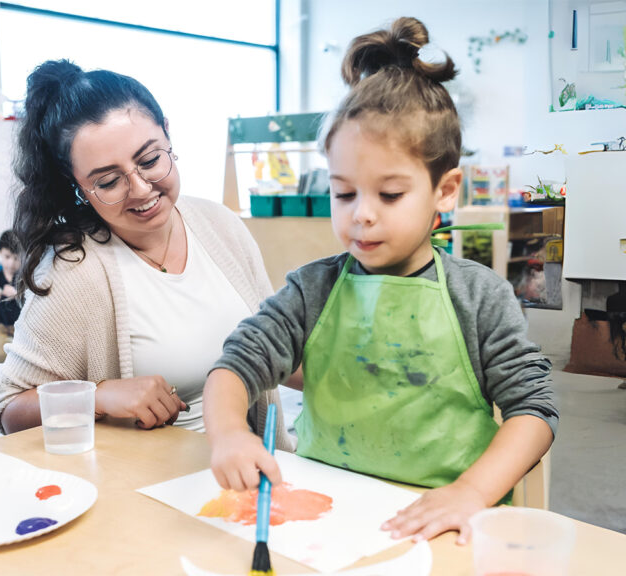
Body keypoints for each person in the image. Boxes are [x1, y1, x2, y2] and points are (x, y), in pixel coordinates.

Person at [203, 17, 557, 545]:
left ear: (445, 190)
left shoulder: (478, 296)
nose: (361, 215)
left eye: (389, 195)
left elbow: (534, 409)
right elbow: (236, 364)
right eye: (344, 194)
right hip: (327, 520)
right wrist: (229, 433)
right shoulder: (311, 290)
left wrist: (472, 491)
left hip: (439, 525)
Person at [0, 60, 292, 452]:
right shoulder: (75, 271)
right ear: (77, 186)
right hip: (143, 492)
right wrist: (96, 396)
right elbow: (8, 408)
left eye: (149, 160)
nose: (141, 189)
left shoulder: (219, 225)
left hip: (249, 475)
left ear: (167, 131)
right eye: (109, 181)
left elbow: (278, 345)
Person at [0, 229, 22, 328]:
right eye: (7, 257)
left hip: (19, 330)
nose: (11, 263)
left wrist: (17, 295)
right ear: (0, 252)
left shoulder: (24, 279)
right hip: (1, 328)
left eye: (16, 258)